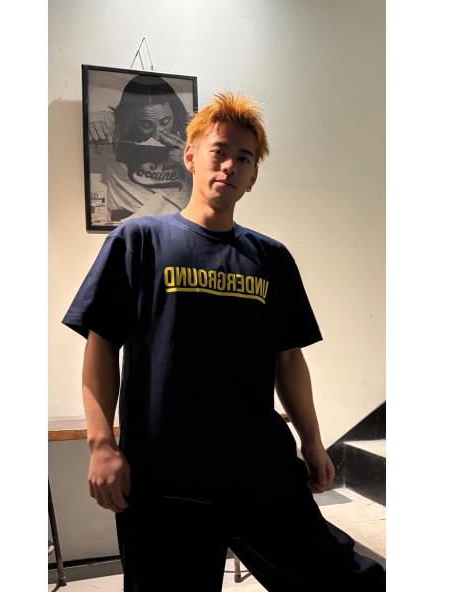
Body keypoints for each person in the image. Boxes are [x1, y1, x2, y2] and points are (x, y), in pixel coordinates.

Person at [63, 92, 385, 590]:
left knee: (345, 580)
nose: (230, 164)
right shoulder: (138, 241)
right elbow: (101, 344)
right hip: (165, 475)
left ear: (253, 177)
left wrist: (313, 441)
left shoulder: (271, 258)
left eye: (245, 158)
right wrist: (102, 443)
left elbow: (289, 357)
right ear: (190, 156)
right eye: (220, 151)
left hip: (260, 467)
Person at [88, 74, 192, 223]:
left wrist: (191, 162)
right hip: (126, 222)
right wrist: (92, 127)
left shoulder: (192, 131)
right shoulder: (114, 124)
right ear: (130, 119)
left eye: (165, 121)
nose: (157, 134)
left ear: (175, 114)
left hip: (177, 222)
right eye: (146, 125)